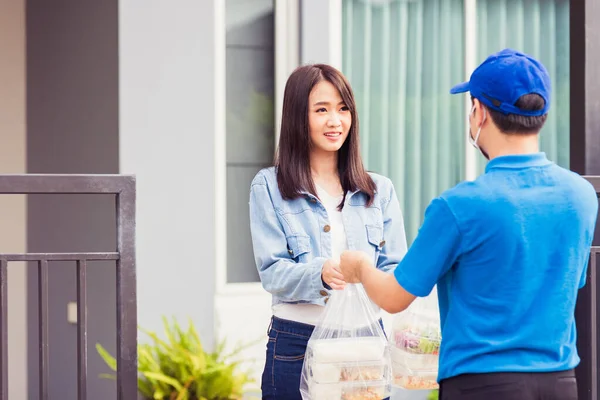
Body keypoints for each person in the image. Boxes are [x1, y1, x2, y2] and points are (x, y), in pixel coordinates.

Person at [339, 49, 598, 400]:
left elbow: (394, 296)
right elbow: (570, 280)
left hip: (481, 385)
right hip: (561, 382)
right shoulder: (581, 195)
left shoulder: (458, 206)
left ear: (479, 113)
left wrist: (359, 267)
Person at [249, 63, 407, 400]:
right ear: (297, 117)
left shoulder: (379, 190)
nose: (335, 121)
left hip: (365, 340)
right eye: (322, 110)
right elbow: (272, 272)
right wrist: (319, 273)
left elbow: (395, 270)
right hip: (297, 342)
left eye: (343, 108)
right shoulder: (270, 187)